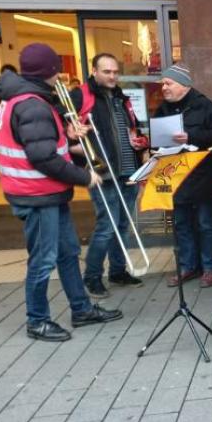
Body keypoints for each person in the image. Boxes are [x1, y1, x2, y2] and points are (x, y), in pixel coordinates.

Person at [0, 43, 122, 342]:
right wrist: (83, 176)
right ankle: (37, 320)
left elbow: (39, 145)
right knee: (43, 259)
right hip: (37, 195)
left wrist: (69, 140)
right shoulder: (33, 104)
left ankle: (81, 308)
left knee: (67, 252)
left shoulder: (23, 98)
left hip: (45, 192)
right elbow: (43, 157)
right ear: (49, 71)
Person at [69, 53, 148, 297]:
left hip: (127, 169)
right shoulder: (80, 95)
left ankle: (117, 270)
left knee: (123, 225)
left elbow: (131, 128)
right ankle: (92, 277)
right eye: (107, 71)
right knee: (106, 226)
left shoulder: (120, 97)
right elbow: (63, 131)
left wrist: (138, 142)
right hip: (102, 172)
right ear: (94, 71)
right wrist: (71, 136)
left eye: (115, 71)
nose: (112, 76)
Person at [152, 64, 212, 288]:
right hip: (175, 177)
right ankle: (187, 267)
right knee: (181, 225)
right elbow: (157, 141)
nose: (164, 87)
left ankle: (210, 268)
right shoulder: (162, 109)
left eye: (168, 83)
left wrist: (190, 136)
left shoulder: (205, 106)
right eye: (163, 83)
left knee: (206, 224)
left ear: (184, 85)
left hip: (202, 176)